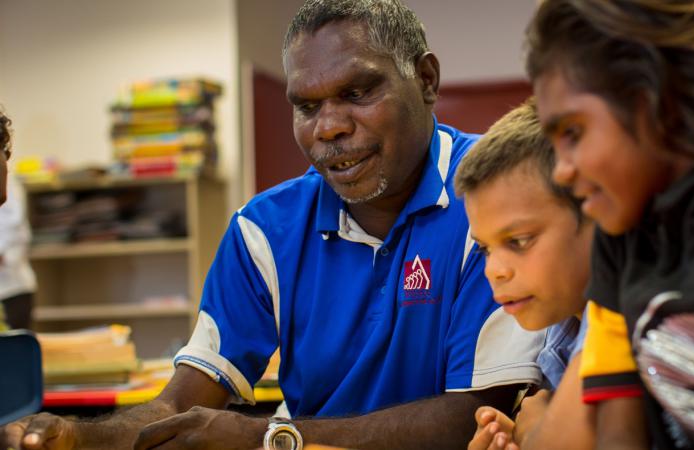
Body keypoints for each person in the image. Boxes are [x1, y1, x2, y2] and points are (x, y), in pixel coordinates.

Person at [0, 1, 544, 449]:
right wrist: (79, 437)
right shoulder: (263, 230)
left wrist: (269, 435)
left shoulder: (491, 196)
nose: (329, 127)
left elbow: (473, 415)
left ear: (425, 79)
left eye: (357, 93)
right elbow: (182, 402)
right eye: (306, 106)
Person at [526, 0, 694, 448]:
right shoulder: (621, 238)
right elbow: (619, 423)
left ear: (653, 101)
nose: (561, 170)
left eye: (572, 133)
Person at [454, 99, 595, 450]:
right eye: (485, 249)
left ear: (597, 213)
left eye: (518, 241)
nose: (494, 271)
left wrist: (542, 434)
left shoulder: (626, 321)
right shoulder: (559, 330)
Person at [0, 174, 37, 330]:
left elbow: (15, 227)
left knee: (12, 348)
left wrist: (3, 254)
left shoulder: (7, 187)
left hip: (11, 288)